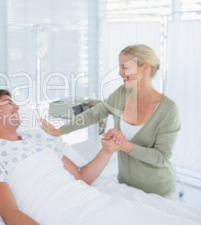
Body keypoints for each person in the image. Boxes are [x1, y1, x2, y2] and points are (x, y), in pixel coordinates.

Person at [0, 90, 200, 225]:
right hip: (59, 212)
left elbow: (81, 176)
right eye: (8, 102)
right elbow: (10, 213)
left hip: (91, 201)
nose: (17, 106)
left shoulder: (42, 140)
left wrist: (107, 150)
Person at [40, 44, 180, 199]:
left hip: (160, 192)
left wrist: (124, 145)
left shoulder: (168, 110)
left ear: (145, 67)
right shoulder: (121, 94)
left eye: (124, 67)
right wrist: (59, 131)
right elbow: (93, 114)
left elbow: (161, 157)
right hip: (127, 188)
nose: (120, 73)